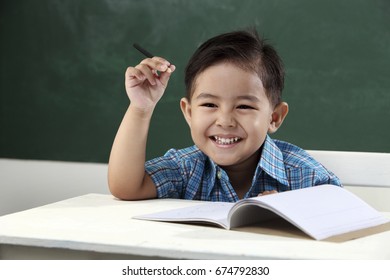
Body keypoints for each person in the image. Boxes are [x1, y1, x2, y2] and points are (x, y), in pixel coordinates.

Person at [108, 29, 341, 202]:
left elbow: (344, 228)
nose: (225, 121)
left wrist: (295, 214)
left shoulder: (308, 178)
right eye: (209, 104)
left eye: (244, 107)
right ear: (189, 113)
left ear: (275, 117)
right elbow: (126, 187)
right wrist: (141, 108)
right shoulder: (186, 169)